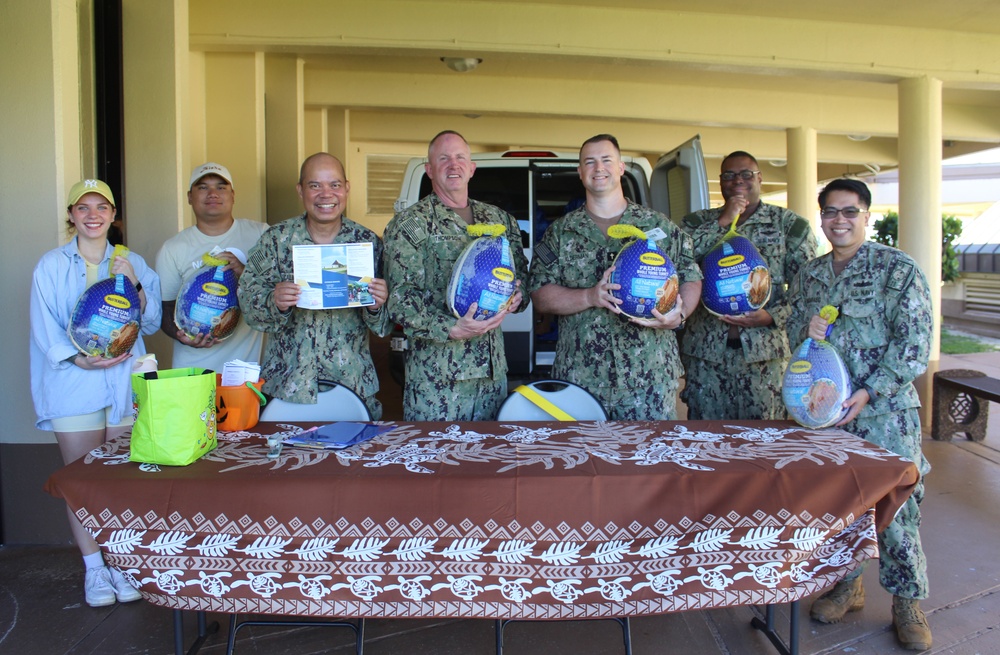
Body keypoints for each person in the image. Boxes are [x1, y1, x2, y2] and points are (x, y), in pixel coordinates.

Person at [788, 178, 933, 651]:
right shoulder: (810, 275)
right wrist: (804, 334)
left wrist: (869, 392)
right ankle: (847, 586)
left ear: (867, 216)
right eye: (830, 212)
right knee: (841, 504)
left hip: (884, 413)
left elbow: (914, 345)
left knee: (899, 507)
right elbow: (794, 339)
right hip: (826, 416)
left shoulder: (896, 269)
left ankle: (907, 603)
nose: (839, 221)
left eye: (850, 211)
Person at [29, 179, 161, 607]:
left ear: (113, 214)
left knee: (121, 482)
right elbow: (45, 328)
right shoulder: (50, 265)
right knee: (81, 481)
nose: (92, 215)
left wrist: (135, 283)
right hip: (73, 385)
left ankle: (122, 565)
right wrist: (78, 358)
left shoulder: (133, 261)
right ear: (71, 215)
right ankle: (95, 570)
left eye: (100, 207)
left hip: (123, 383)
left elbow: (153, 321)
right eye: (82, 207)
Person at [528, 134, 701, 420]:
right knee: (584, 459)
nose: (599, 168)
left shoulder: (659, 227)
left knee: (648, 461)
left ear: (621, 167)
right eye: (590, 162)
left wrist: (679, 315)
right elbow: (539, 294)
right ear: (580, 172)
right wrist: (589, 296)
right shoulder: (560, 233)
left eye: (607, 160)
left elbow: (691, 276)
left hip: (649, 377)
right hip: (582, 376)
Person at [383, 130, 529, 421]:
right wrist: (449, 328)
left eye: (460, 157)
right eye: (444, 158)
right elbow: (399, 300)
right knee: (437, 461)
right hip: (437, 379)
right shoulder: (410, 225)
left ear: (472, 168)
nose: (454, 165)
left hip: (491, 374)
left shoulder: (499, 220)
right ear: (429, 170)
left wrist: (518, 296)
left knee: (488, 460)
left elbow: (521, 277)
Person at [237, 153, 389, 418]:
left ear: (347, 188)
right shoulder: (276, 240)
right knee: (286, 460)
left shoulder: (367, 244)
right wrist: (274, 301)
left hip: (351, 384)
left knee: (352, 459)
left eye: (335, 185)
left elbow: (385, 326)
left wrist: (378, 305)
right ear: (300, 190)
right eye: (314, 185)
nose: (325, 194)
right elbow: (248, 305)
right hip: (287, 386)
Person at [680, 151, 817, 420]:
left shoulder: (789, 225)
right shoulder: (695, 223)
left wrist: (772, 316)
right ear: (720, 182)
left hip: (765, 359)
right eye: (729, 175)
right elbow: (678, 263)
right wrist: (722, 222)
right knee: (707, 442)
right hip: (706, 358)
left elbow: (808, 290)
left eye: (746, 174)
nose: (737, 181)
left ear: (760, 178)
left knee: (764, 444)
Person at [155, 163, 268, 370]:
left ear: (233, 195)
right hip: (192, 370)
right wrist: (182, 336)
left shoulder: (260, 234)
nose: (213, 193)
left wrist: (243, 272)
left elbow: (277, 290)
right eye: (203, 187)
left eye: (221, 187)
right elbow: (165, 309)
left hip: (245, 370)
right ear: (190, 197)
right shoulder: (173, 248)